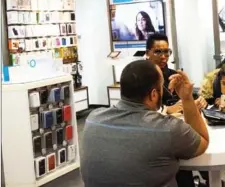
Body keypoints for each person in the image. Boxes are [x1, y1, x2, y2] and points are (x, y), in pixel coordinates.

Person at [80, 60, 209, 187]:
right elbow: (202, 141)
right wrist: (187, 98)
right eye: (162, 87)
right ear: (154, 94)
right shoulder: (169, 129)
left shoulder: (93, 119)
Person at [146, 34, 207, 114]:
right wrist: (166, 109)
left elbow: (188, 96)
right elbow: (137, 109)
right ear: (147, 53)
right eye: (158, 52)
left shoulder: (174, 75)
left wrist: (200, 100)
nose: (163, 56)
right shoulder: (139, 77)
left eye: (166, 52)